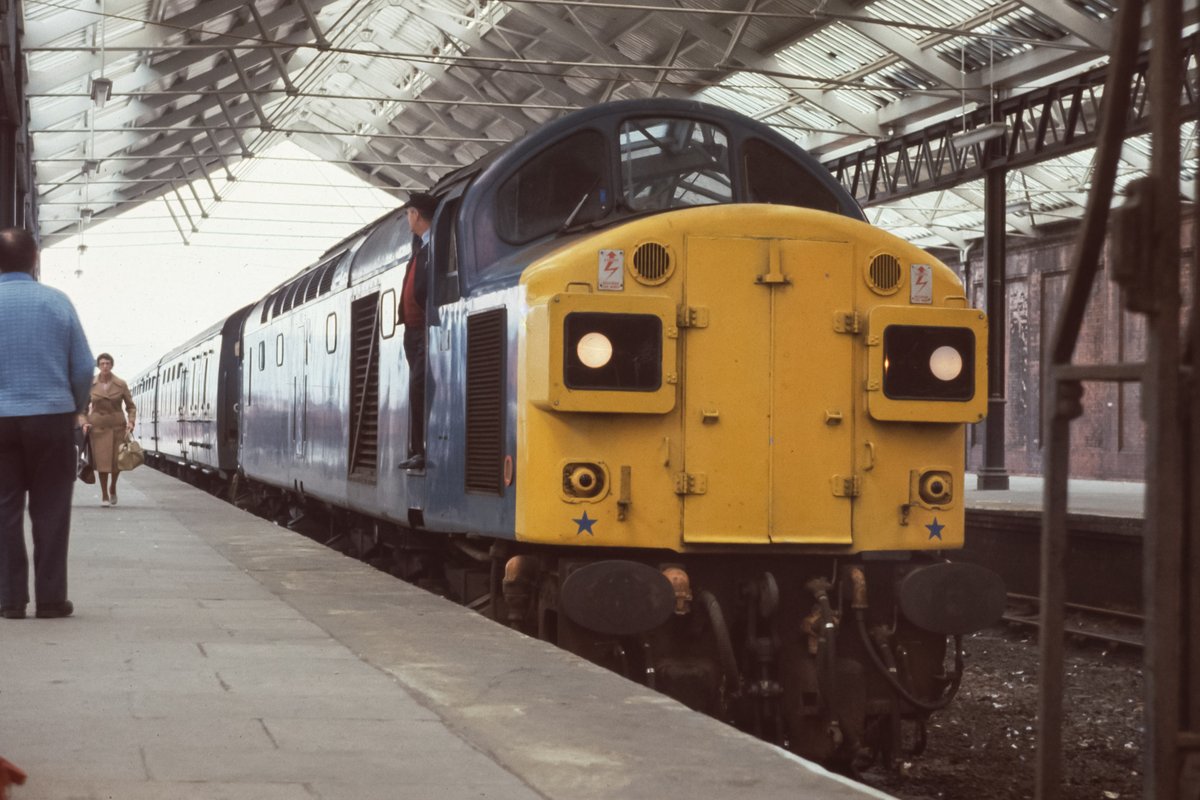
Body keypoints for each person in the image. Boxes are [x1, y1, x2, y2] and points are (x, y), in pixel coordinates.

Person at [0, 227, 93, 620]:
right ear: (35, 259)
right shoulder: (57, 302)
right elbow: (85, 366)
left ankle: (9, 600)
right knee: (52, 509)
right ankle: (52, 599)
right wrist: (75, 405)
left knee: (3, 512)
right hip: (52, 417)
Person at [397, 191, 437, 471]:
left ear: (417, 214)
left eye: (409, 213)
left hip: (425, 329)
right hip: (412, 331)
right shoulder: (419, 247)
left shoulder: (432, 246)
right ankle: (417, 448)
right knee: (415, 386)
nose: (407, 219)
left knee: (419, 386)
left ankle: (421, 449)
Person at [82, 353, 136, 507]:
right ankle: (105, 493)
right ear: (98, 366)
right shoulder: (90, 385)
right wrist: (84, 422)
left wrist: (131, 422)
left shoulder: (121, 384)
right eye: (102, 363)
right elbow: (82, 409)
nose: (105, 366)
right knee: (102, 463)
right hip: (97, 428)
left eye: (107, 363)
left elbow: (131, 406)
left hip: (117, 427)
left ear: (112, 365)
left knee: (116, 463)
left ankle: (113, 487)